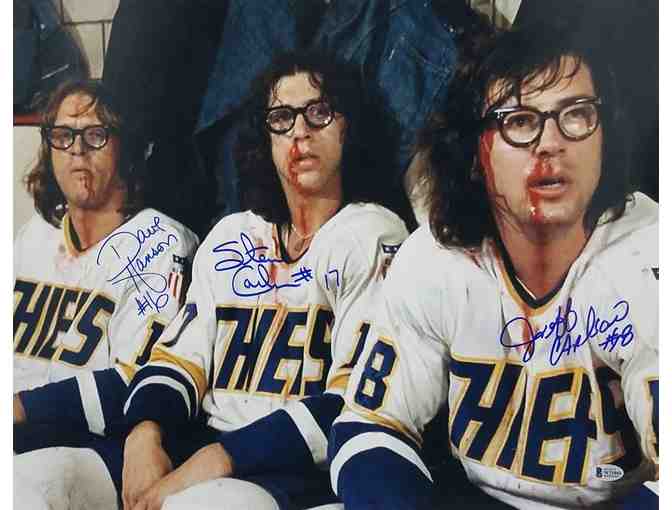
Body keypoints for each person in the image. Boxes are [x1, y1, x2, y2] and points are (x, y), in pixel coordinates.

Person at [16, 53, 411, 510]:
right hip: (197, 446)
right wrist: (145, 433)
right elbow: (180, 360)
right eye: (281, 118)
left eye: (319, 112)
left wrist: (218, 458)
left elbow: (354, 404)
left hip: (291, 469)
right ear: (265, 136)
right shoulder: (233, 233)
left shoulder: (374, 234)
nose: (300, 132)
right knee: (27, 484)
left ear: (349, 127)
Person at [328, 22, 658, 509]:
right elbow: (369, 426)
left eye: (576, 114)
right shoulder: (437, 257)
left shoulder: (648, 251)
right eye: (519, 121)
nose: (551, 143)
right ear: (473, 152)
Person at [13, 79, 199, 505]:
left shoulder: (162, 242)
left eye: (96, 135)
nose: (77, 150)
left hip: (94, 446)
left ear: (127, 147)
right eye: (63, 135)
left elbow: (140, 381)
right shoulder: (33, 237)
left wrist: (21, 408)